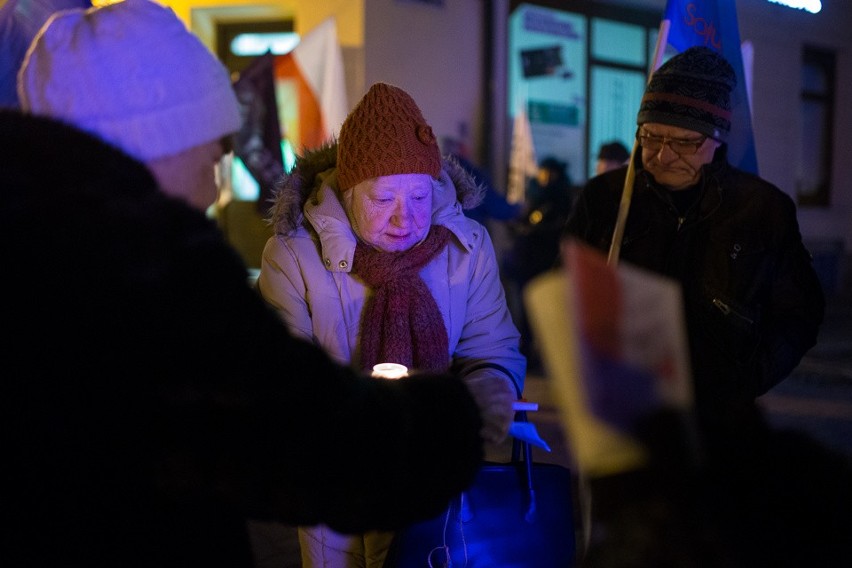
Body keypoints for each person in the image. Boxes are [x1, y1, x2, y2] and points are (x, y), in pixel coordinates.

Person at [6, 1, 504, 565]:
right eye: (212, 151)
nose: (215, 181)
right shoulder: (148, 278)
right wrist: (449, 419)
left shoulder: (45, 248)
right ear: (156, 142)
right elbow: (297, 433)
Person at [257, 82, 525, 568]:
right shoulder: (294, 253)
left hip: (440, 477)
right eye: (383, 200)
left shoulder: (468, 246)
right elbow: (277, 381)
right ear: (347, 188)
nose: (406, 219)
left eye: (419, 197)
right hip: (333, 485)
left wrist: (490, 391)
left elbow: (493, 346)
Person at [563, 45, 825, 440]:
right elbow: (564, 290)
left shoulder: (761, 210)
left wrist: (745, 381)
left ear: (717, 138)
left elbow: (799, 313)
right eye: (650, 136)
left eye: (684, 142)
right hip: (620, 415)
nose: (662, 155)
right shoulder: (605, 199)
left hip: (719, 422)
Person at [503, 155, 576, 370]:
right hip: (530, 261)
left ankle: (533, 352)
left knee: (536, 309)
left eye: (545, 172)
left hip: (541, 262)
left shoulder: (557, 198)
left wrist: (527, 229)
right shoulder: (542, 195)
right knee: (526, 309)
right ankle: (528, 350)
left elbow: (550, 228)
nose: (541, 176)